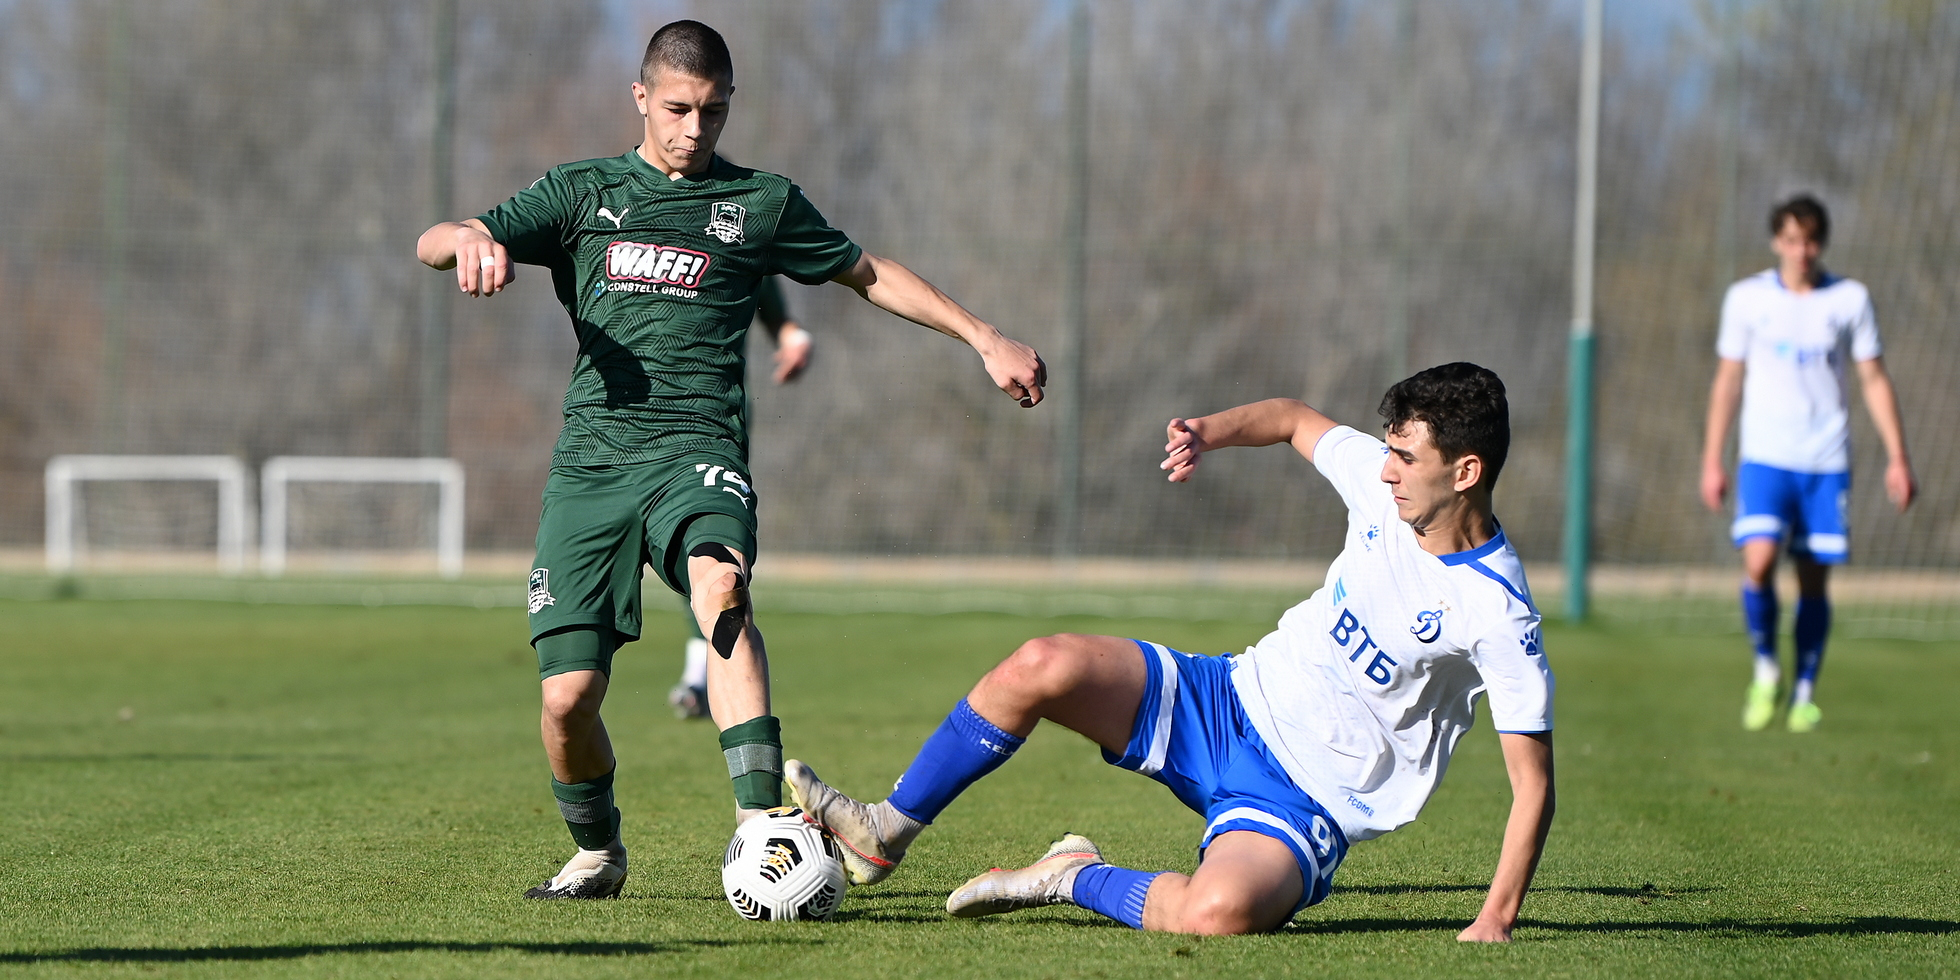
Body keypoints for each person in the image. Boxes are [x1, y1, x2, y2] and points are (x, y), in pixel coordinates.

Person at [415, 20, 1045, 900]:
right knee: (567, 702)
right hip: (591, 468)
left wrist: (983, 336)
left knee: (721, 587)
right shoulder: (581, 192)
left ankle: (761, 828)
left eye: (711, 113)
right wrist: (471, 242)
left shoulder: (759, 203)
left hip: (699, 451)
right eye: (676, 109)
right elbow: (435, 238)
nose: (692, 130)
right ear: (641, 98)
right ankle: (598, 849)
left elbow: (868, 273)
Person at [788, 363, 1555, 939]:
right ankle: (884, 831)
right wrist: (1208, 432)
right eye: (1385, 450)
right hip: (1223, 699)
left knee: (1216, 913)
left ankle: (1070, 877)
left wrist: (1495, 918)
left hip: (1304, 798)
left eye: (1405, 459)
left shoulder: (1497, 608)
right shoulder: (1383, 484)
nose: (1384, 469)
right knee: (1039, 665)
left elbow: (1531, 787)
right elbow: (1291, 418)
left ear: (1465, 472)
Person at [1700, 194, 1915, 734]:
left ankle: (1804, 692)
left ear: (1822, 243)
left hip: (1825, 461)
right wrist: (1713, 459)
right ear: (1778, 241)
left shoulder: (1849, 299)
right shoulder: (1747, 299)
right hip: (1765, 458)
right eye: (1792, 240)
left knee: (1814, 580)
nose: (1802, 251)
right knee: (1759, 562)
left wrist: (1898, 457)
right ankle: (1767, 668)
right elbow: (1728, 380)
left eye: (1811, 240)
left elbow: (1872, 378)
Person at [668, 276, 812, 720]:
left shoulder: (729, 216)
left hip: (711, 422)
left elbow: (755, 264)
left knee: (704, 545)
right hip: (623, 425)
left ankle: (705, 675)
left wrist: (789, 331)